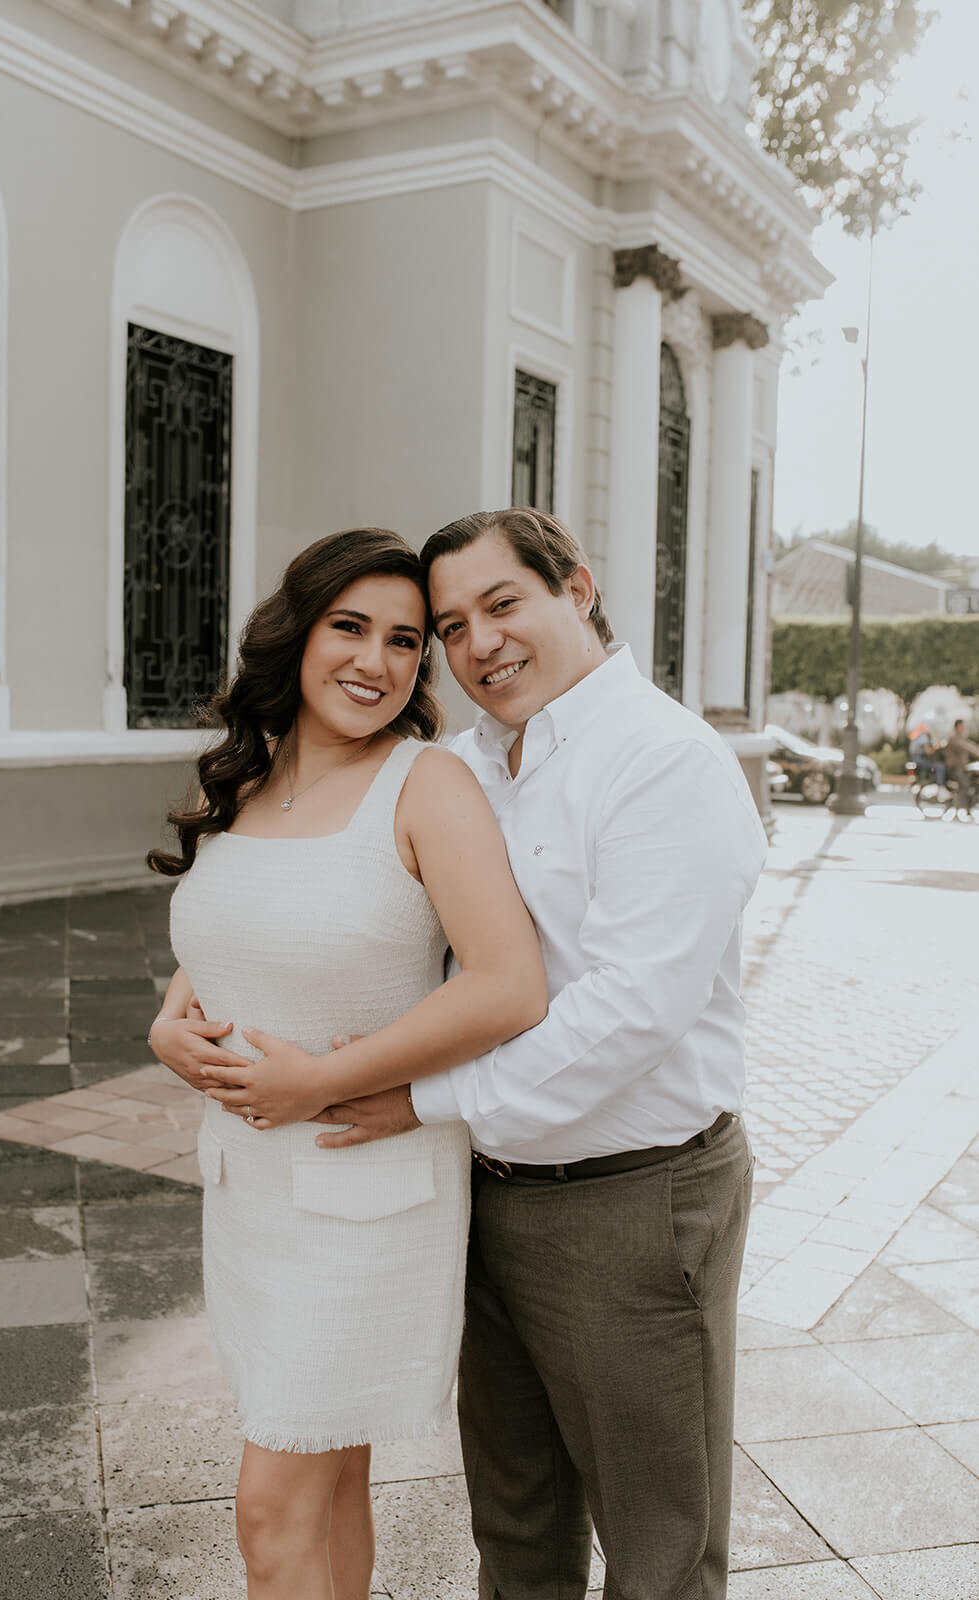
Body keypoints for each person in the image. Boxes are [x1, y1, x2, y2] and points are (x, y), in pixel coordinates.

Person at [269, 507, 768, 1600]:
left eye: (501, 605)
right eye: (451, 627)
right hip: (485, 1193)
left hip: (631, 1202)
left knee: (658, 1548)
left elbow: (629, 1011)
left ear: (576, 589)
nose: (477, 644)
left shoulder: (664, 759)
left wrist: (421, 1098)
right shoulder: (465, 764)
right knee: (515, 1527)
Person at [145, 527, 546, 1600]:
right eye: (350, 628)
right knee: (329, 1482)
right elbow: (235, 938)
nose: (375, 660)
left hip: (362, 1193)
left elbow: (508, 984)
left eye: (405, 641)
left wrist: (321, 1079)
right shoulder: (247, 781)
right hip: (250, 1191)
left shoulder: (426, 785)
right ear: (299, 633)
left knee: (269, 1510)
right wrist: (165, 1026)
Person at [943, 718, 979, 819]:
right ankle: (959, 808)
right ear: (957, 727)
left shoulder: (961, 738)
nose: (964, 728)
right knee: (965, 785)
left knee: (972, 781)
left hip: (961, 768)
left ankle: (968, 808)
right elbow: (967, 747)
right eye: (962, 726)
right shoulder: (954, 738)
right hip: (954, 769)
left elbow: (972, 745)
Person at [908, 722, 945, 788]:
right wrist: (936, 748)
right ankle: (940, 786)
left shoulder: (917, 735)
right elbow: (928, 751)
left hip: (915, 759)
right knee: (940, 766)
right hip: (920, 759)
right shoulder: (923, 736)